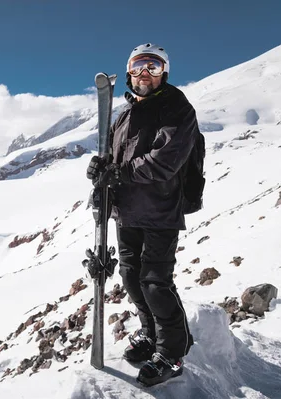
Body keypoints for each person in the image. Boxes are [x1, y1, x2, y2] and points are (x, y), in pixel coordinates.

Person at [86, 43, 200, 387]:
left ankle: (172, 352)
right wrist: (101, 172)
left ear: (165, 71)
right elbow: (112, 156)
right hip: (127, 209)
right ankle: (151, 335)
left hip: (161, 209)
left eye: (153, 66)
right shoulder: (124, 114)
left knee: (155, 282)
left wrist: (120, 172)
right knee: (131, 277)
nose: (145, 73)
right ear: (130, 71)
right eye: (138, 66)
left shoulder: (177, 109)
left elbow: (167, 160)